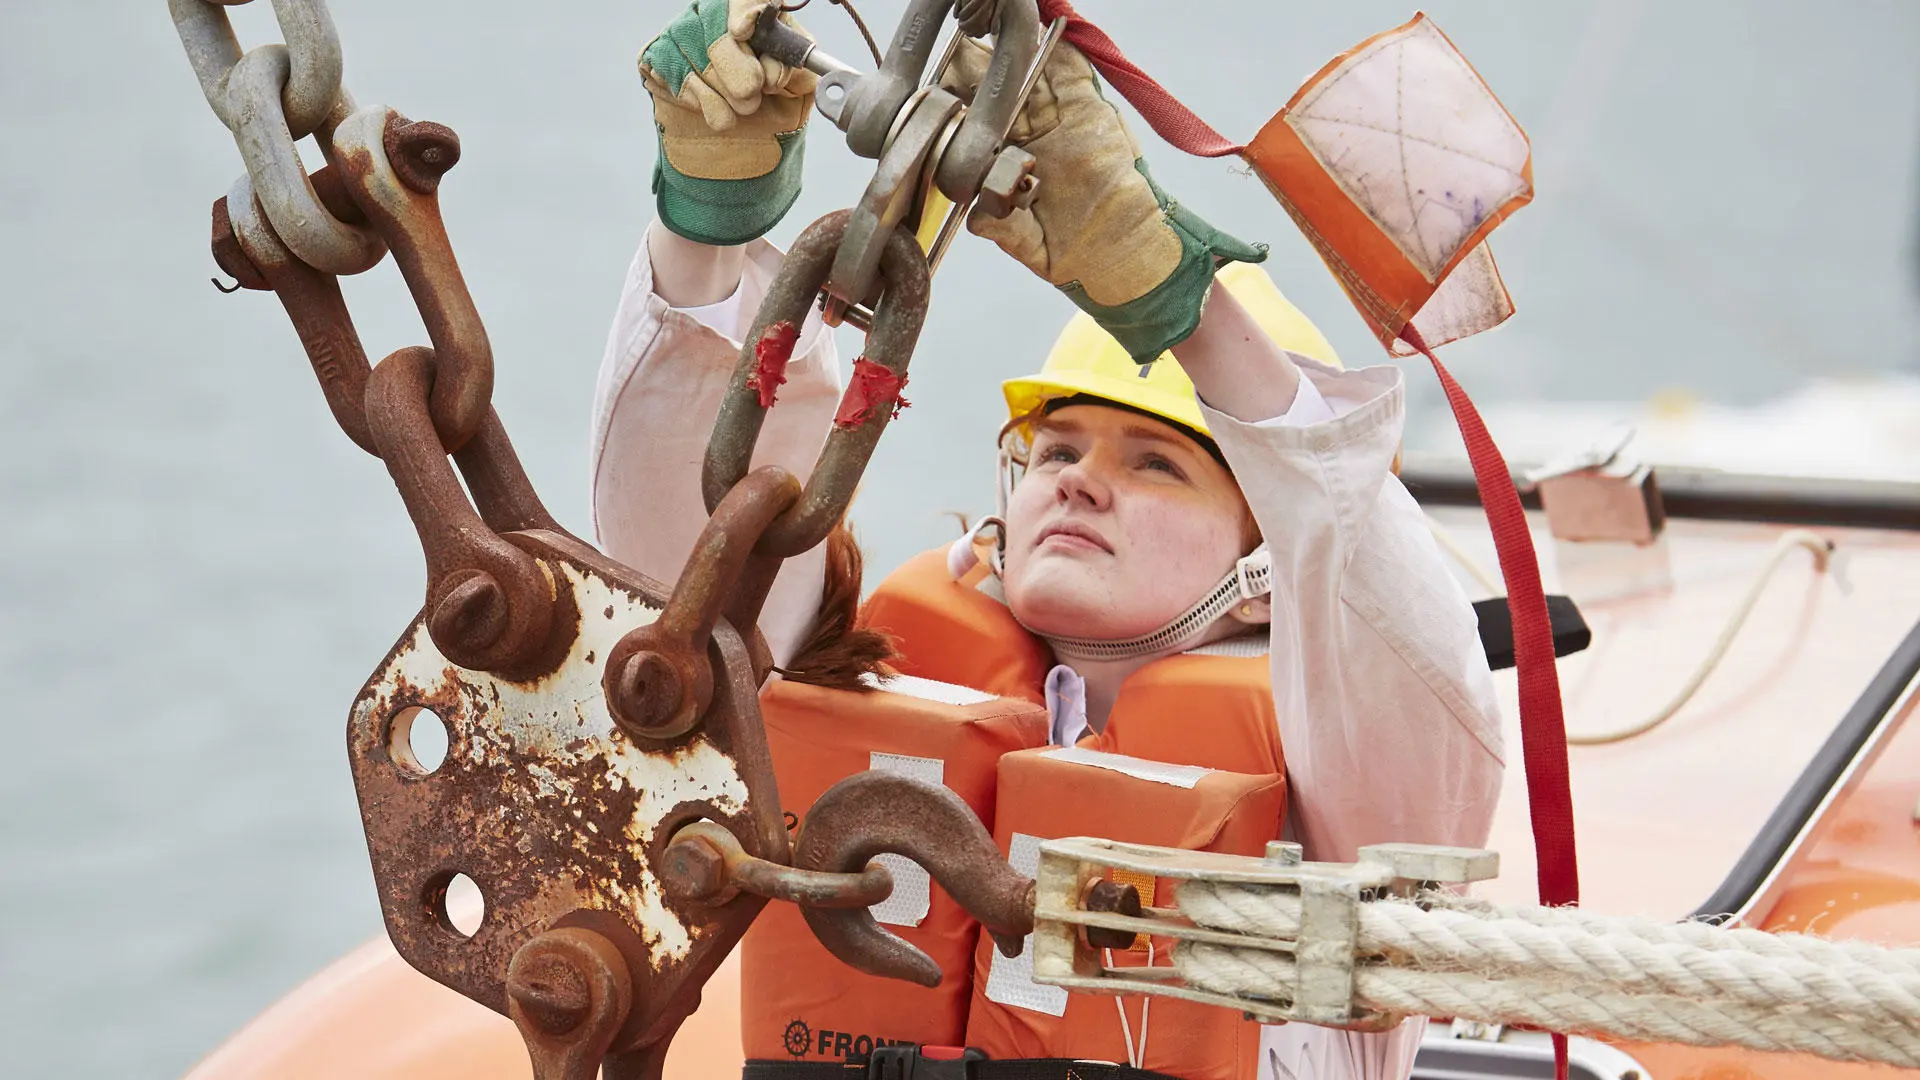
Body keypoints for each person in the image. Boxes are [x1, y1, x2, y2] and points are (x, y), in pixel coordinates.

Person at [590, 3, 1505, 1079]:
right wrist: (703, 236)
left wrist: (1180, 306)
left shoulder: (1347, 776)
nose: (1082, 482)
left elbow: (1378, 602)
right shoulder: (873, 662)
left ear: (1265, 574)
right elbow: (684, 572)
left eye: (1154, 462)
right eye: (1058, 450)